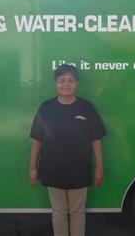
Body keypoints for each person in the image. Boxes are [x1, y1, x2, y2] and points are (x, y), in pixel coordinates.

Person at [29, 64, 106, 236]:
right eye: (61, 80)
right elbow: (37, 139)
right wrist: (33, 167)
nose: (66, 84)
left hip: (79, 169)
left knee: (77, 212)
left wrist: (99, 167)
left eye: (70, 80)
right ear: (56, 84)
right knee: (59, 212)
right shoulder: (46, 108)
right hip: (52, 168)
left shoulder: (87, 108)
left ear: (77, 84)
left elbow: (96, 139)